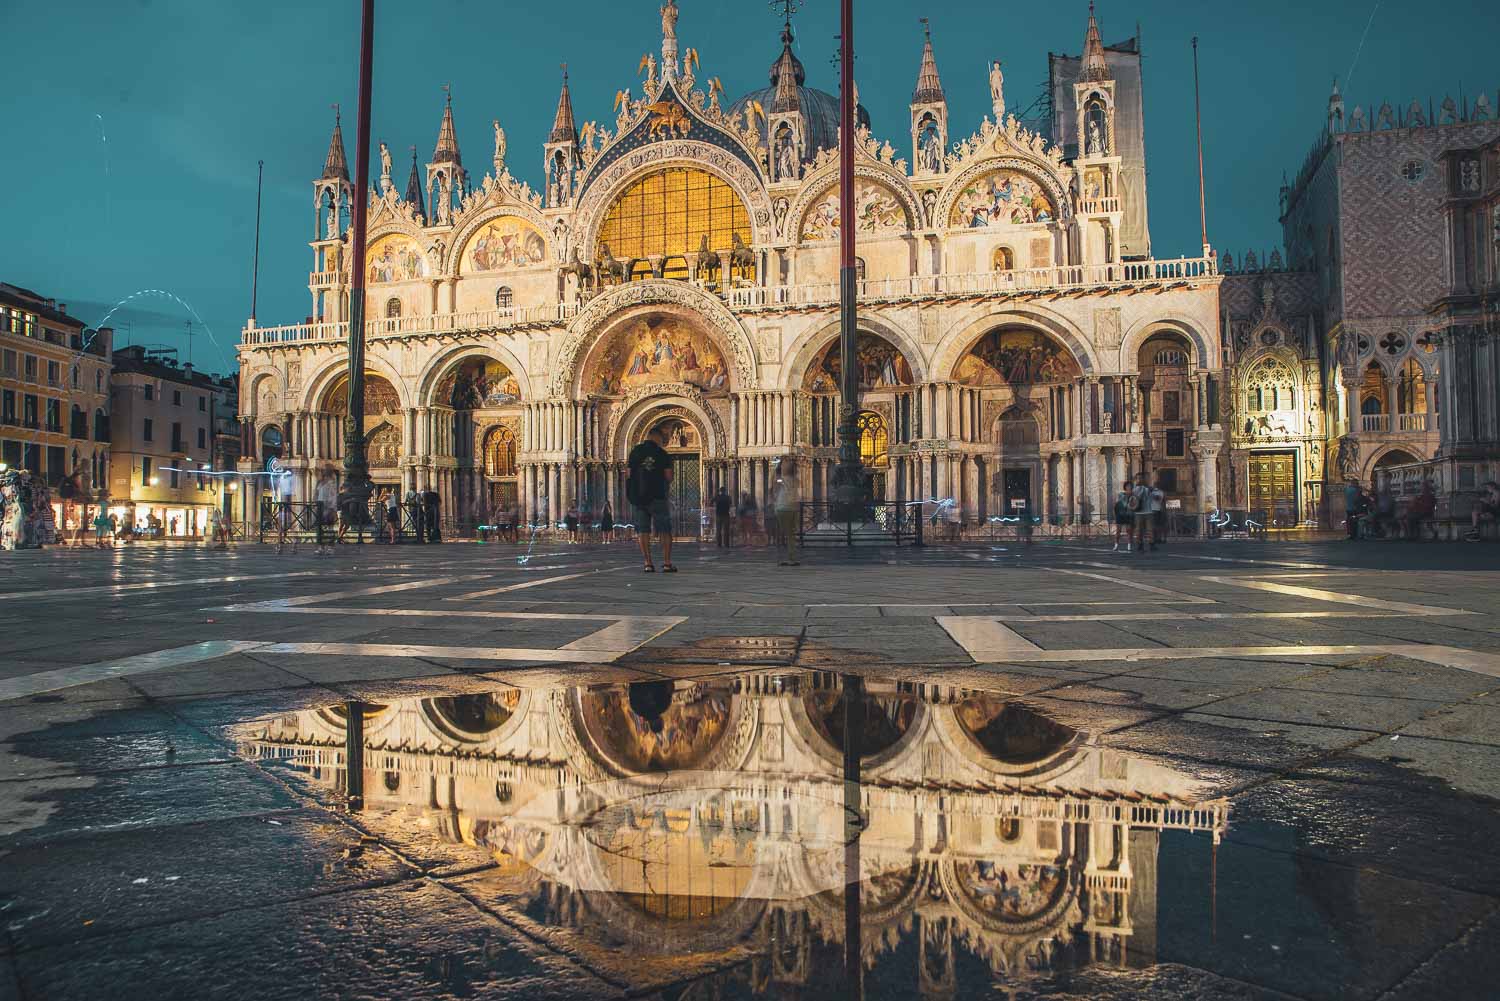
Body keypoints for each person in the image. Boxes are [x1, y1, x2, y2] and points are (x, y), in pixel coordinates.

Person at [627, 423, 675, 572]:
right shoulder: (662, 454)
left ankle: (648, 563)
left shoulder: (635, 452)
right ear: (658, 438)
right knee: (664, 530)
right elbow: (668, 476)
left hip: (640, 498)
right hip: (658, 496)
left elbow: (628, 474)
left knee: (643, 530)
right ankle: (667, 563)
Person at [771, 457, 801, 566]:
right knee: (788, 534)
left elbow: (774, 489)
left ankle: (787, 558)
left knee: (786, 534)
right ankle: (788, 558)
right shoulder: (792, 480)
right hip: (788, 508)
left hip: (785, 508)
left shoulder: (784, 479)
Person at [314, 469, 338, 554]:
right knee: (320, 528)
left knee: (329, 528)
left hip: (328, 507)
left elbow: (334, 497)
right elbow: (317, 494)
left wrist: (332, 508)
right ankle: (321, 547)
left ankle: (330, 547)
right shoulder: (320, 484)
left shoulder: (331, 484)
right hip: (320, 507)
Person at [275, 469, 297, 552]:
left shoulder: (284, 478)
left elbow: (289, 493)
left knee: (286, 524)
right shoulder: (285, 478)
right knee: (284, 524)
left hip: (285, 504)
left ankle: (281, 544)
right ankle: (282, 543)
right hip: (284, 505)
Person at [1130, 477, 1153, 553]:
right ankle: (1146, 544)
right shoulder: (1140, 489)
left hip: (1143, 512)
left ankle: (1143, 544)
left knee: (1141, 530)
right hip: (1144, 512)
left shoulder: (1137, 490)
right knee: (1146, 529)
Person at [1112, 481, 1133, 552]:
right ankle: (1116, 545)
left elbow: (1134, 505)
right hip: (1120, 514)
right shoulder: (1120, 494)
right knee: (1118, 531)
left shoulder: (1133, 495)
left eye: (1130, 486)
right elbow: (1116, 504)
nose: (1129, 487)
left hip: (1128, 514)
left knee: (1129, 531)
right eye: (1128, 486)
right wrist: (1115, 514)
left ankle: (1129, 546)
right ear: (1125, 487)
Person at [1150, 474, 1167, 550]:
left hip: (1158, 509)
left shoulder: (1160, 492)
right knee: (1155, 525)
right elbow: (1161, 499)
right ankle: (1155, 538)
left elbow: (1162, 500)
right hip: (1154, 510)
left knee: (1158, 525)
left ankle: (1158, 538)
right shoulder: (1154, 492)